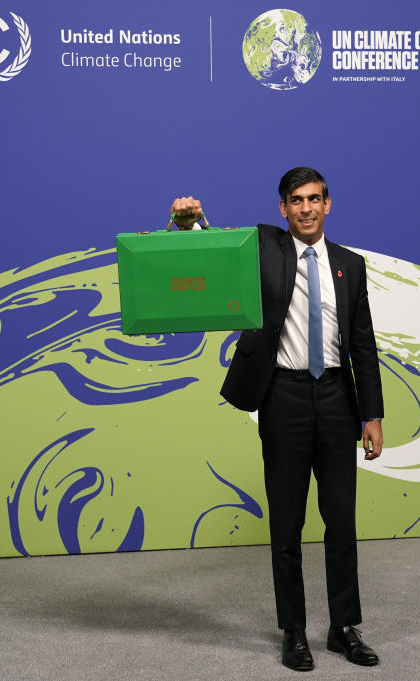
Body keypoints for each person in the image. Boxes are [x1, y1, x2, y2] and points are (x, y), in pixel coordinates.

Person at [170, 167, 384, 671]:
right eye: (296, 201)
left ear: (328, 204)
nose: (306, 209)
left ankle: (343, 628)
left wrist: (371, 414)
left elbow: (363, 344)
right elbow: (216, 249)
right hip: (283, 397)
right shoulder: (266, 247)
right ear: (282, 209)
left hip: (337, 399)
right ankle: (294, 632)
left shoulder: (350, 266)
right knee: (287, 523)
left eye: (314, 199)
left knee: (342, 521)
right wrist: (191, 221)